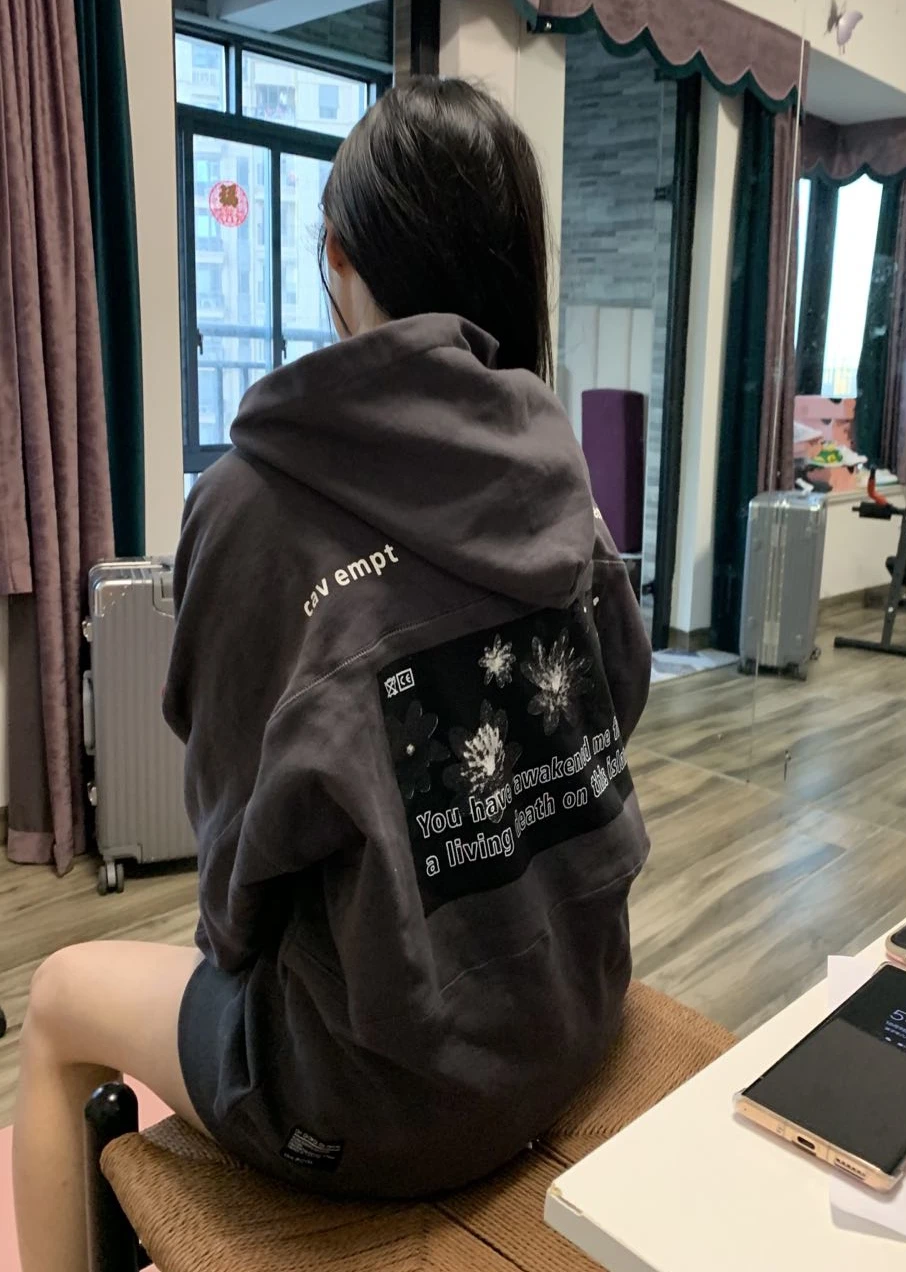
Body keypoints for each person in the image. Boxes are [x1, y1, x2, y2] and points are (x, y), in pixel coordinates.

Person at [14, 77, 651, 1272]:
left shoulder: (248, 503)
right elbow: (619, 700)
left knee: (56, 998)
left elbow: (233, 887)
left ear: (339, 257)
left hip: (382, 1103)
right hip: (580, 1003)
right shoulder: (552, 456)